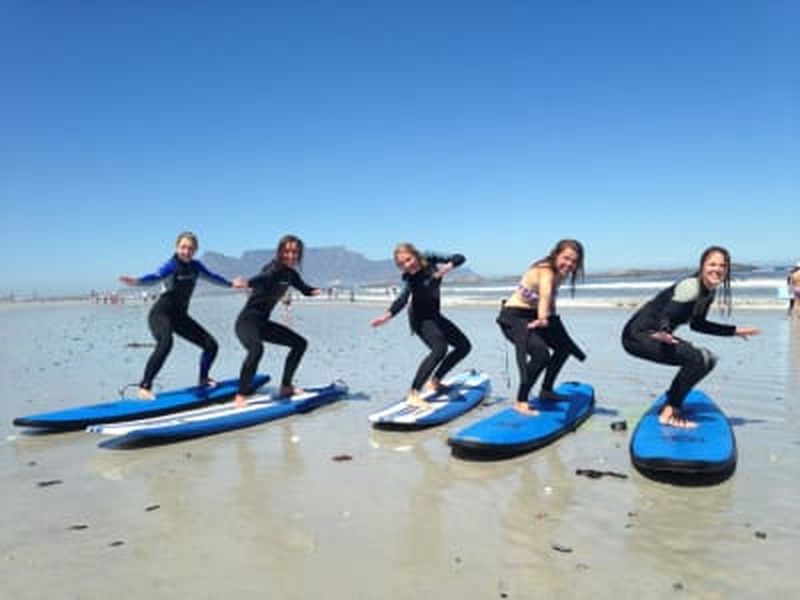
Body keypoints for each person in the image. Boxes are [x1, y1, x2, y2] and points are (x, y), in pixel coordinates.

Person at [621, 246, 760, 428]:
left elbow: (698, 325)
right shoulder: (691, 286)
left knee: (708, 359)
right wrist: (664, 331)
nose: (717, 269)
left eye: (722, 265)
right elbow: (667, 315)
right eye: (712, 264)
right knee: (697, 358)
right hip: (639, 335)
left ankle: (673, 404)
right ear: (702, 266)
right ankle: (668, 414)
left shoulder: (708, 292)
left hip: (658, 335)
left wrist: (734, 331)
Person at [120, 231, 246, 399]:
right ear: (177, 247)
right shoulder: (171, 265)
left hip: (180, 317)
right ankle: (144, 386)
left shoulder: (196, 267)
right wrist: (138, 281)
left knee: (211, 345)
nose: (186, 251)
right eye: (183, 247)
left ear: (195, 250)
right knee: (165, 342)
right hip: (160, 314)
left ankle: (203, 378)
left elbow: (213, 277)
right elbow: (155, 277)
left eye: (190, 248)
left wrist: (231, 284)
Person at [370, 243, 471, 407]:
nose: (407, 265)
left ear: (415, 255)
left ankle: (436, 381)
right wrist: (387, 315)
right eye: (401, 264)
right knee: (440, 349)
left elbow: (460, 258)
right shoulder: (409, 278)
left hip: (435, 315)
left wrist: (448, 267)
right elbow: (402, 299)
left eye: (408, 259)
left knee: (464, 346)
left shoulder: (430, 258)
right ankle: (413, 393)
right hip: (419, 319)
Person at [496, 239, 587, 415]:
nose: (569, 264)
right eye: (566, 258)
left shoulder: (562, 273)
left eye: (574, 261)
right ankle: (521, 400)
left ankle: (546, 390)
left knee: (563, 348)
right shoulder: (545, 270)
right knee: (540, 354)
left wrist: (551, 322)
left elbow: (550, 298)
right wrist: (543, 318)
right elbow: (544, 294)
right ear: (556, 254)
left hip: (536, 315)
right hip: (514, 317)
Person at [233, 235, 321, 407]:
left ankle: (286, 387)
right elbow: (263, 277)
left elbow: (304, 289)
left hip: (263, 324)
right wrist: (246, 282)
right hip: (247, 322)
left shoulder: (291, 274)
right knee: (256, 349)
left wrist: (314, 291)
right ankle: (241, 395)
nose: (291, 255)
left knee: (300, 344)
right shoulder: (273, 269)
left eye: (295, 252)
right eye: (287, 251)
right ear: (280, 252)